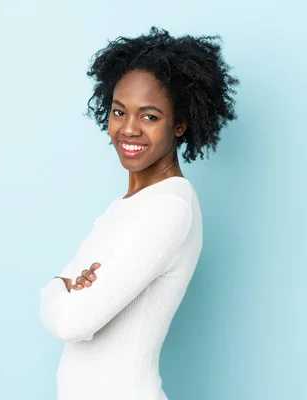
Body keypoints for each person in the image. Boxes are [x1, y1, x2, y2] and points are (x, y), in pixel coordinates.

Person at [39, 26, 238, 400]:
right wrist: (62, 289)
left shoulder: (169, 208)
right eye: (119, 111)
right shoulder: (127, 207)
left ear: (179, 125)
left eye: (149, 116)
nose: (128, 129)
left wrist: (58, 288)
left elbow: (72, 321)